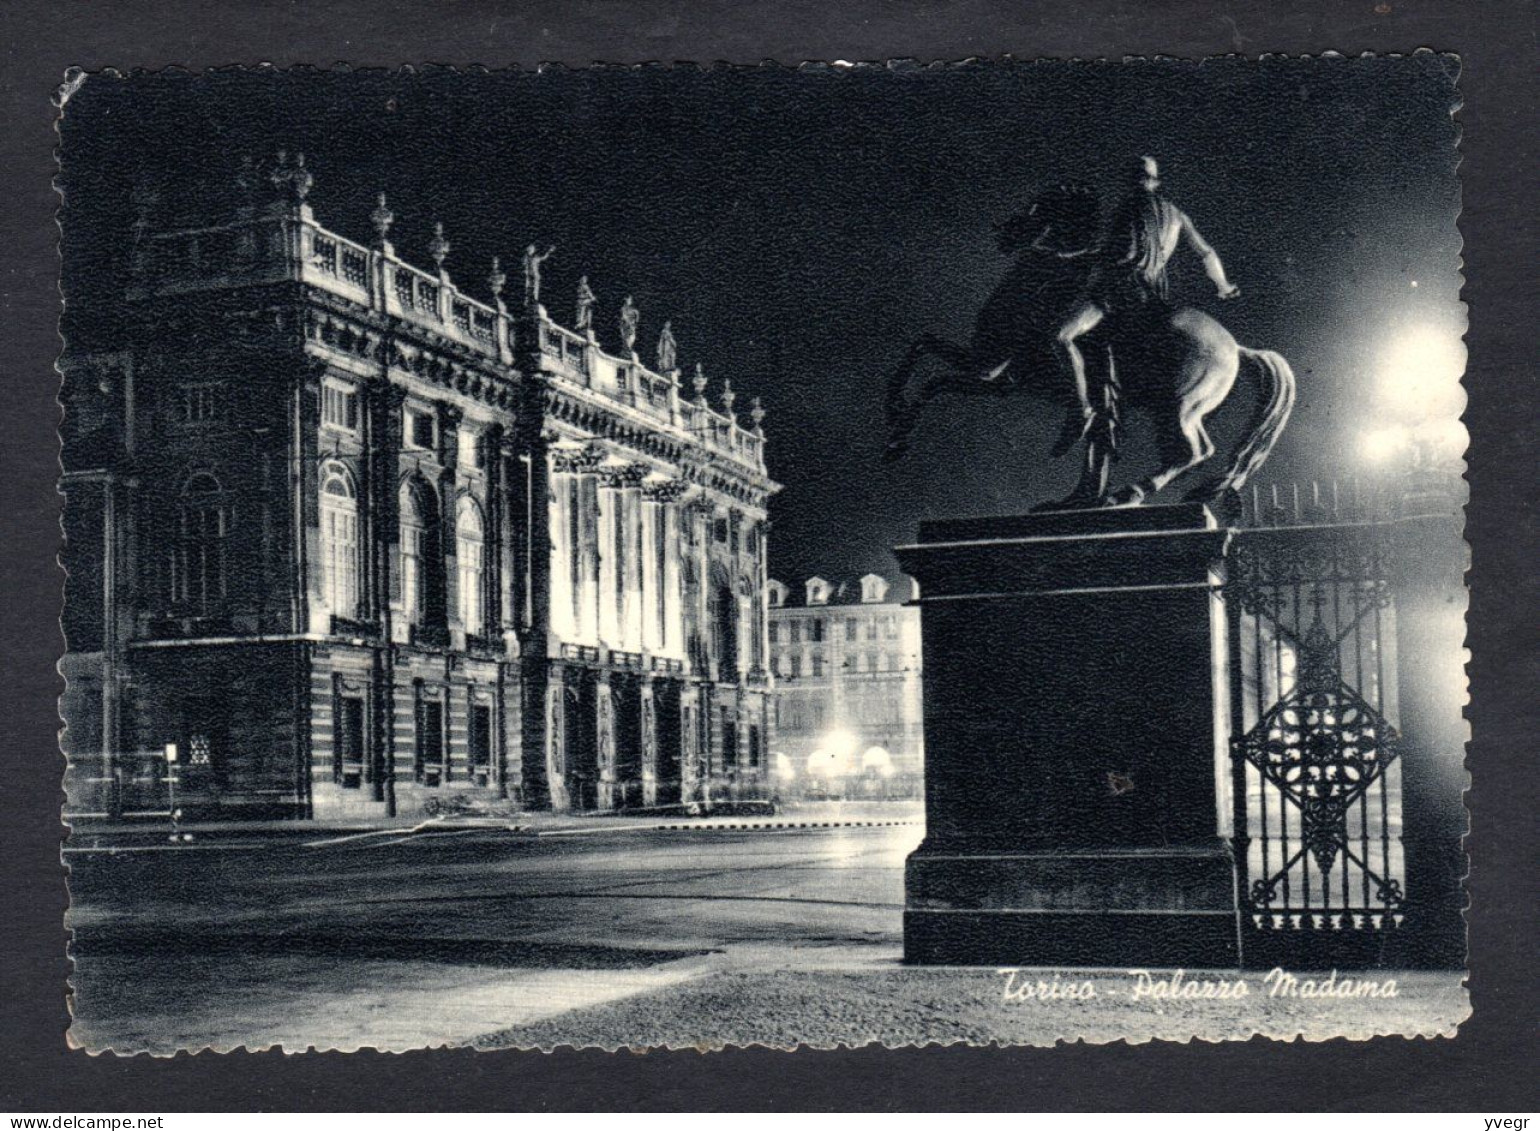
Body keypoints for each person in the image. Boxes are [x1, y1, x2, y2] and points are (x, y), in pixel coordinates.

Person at [1052, 156, 1240, 456]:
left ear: (1134, 182)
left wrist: (1066, 256)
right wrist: (1223, 285)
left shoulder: (1127, 208)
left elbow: (1117, 252)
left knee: (1061, 336)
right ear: (1155, 181)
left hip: (1119, 291)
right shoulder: (1176, 215)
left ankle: (1081, 410)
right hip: (1154, 296)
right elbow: (1206, 253)